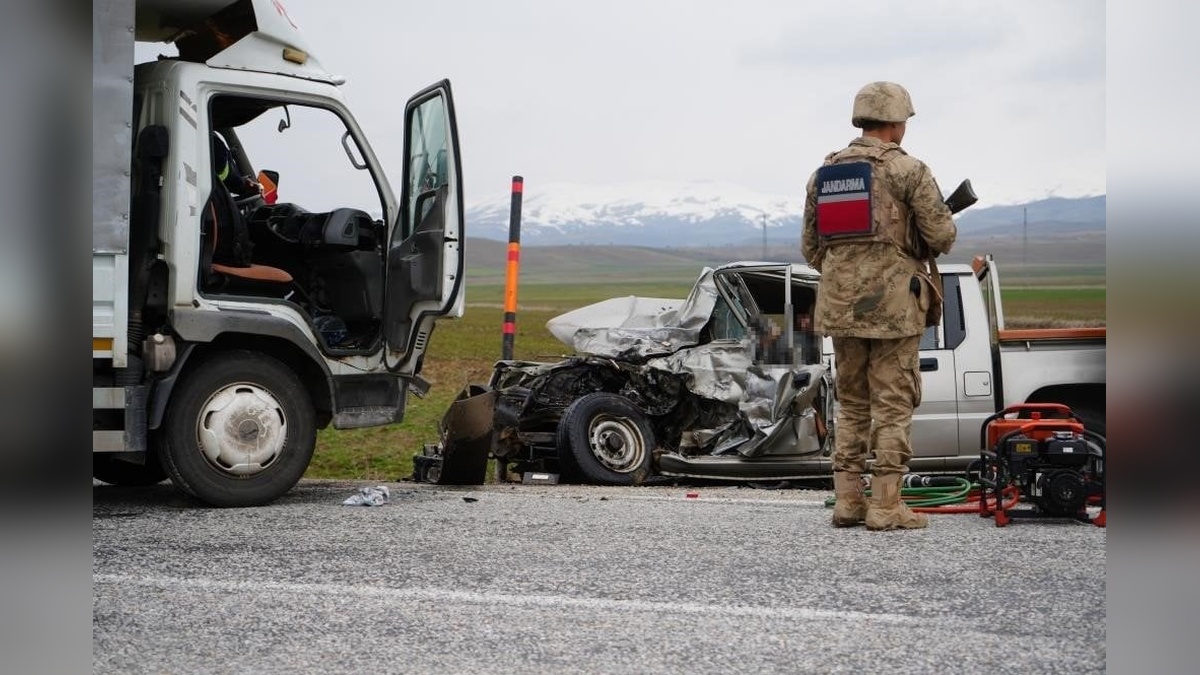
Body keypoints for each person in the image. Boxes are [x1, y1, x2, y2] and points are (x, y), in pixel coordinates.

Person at [801, 81, 957, 530]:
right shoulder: (908, 170)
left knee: (850, 405)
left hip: (840, 307)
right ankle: (887, 507)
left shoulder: (824, 175)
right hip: (892, 309)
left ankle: (847, 502)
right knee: (892, 405)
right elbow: (942, 237)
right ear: (895, 122)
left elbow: (812, 249)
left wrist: (851, 269)